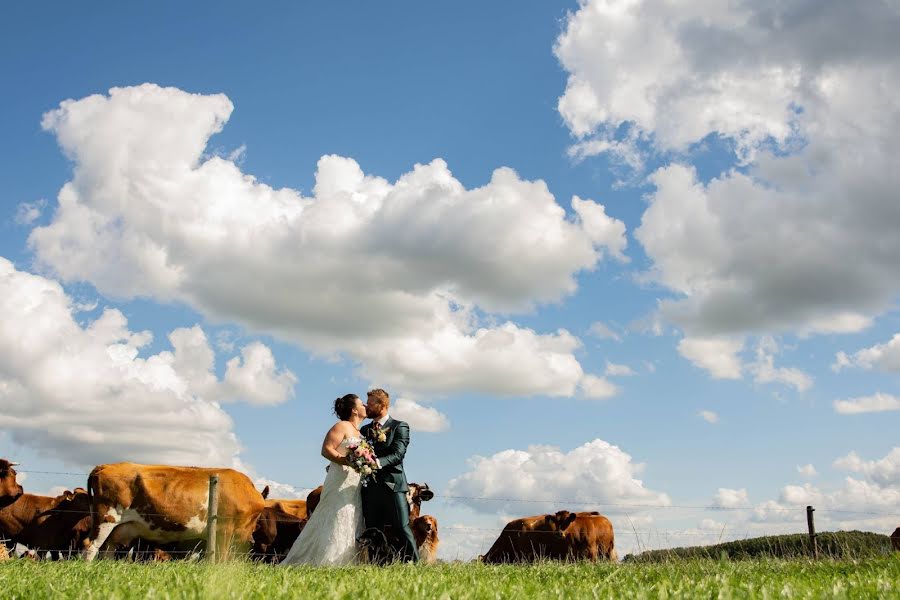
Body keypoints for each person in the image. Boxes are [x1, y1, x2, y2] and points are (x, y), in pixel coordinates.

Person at [279, 394, 367, 566]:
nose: (365, 405)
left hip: (355, 480)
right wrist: (346, 461)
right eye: (361, 403)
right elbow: (326, 449)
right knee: (335, 514)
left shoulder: (359, 432)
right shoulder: (342, 426)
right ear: (354, 410)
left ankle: (349, 560)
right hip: (340, 475)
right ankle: (326, 560)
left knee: (352, 514)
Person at [360, 388, 419, 562]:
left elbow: (398, 454)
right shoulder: (364, 430)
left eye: (370, 404)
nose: (366, 406)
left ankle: (413, 564)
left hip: (393, 485)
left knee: (401, 526)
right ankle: (378, 565)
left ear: (382, 405)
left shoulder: (399, 426)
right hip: (369, 487)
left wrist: (376, 463)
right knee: (373, 529)